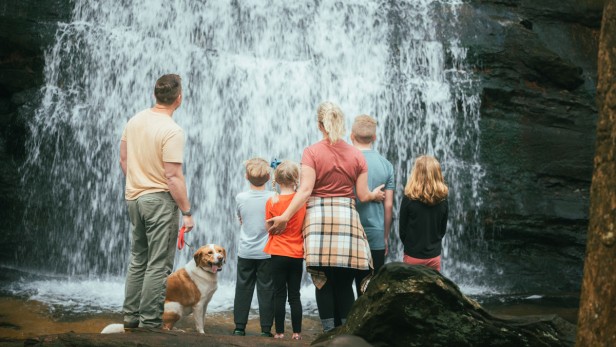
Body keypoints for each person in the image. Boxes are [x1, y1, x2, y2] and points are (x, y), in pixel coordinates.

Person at [267, 101, 385, 332]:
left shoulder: (311, 152)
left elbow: (305, 191)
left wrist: (284, 216)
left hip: (319, 220)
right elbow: (361, 194)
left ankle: (330, 333)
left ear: (320, 124)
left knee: (323, 282)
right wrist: (374, 194)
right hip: (346, 218)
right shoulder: (356, 155)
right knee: (343, 283)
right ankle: (348, 333)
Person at [119, 73, 194, 329]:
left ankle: (130, 318)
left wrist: (137, 182)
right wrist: (187, 211)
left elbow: (124, 160)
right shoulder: (172, 130)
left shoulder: (135, 120)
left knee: (138, 259)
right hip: (159, 201)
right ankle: (150, 323)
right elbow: (173, 177)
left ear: (155, 95)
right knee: (159, 265)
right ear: (179, 99)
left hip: (134, 198)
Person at [350, 115, 395, 296]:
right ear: (375, 137)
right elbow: (389, 205)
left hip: (349, 232)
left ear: (351, 135)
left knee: (347, 286)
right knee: (371, 288)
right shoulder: (386, 165)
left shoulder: (347, 162)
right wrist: (385, 236)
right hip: (375, 233)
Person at [263, 160, 307, 340]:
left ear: (276, 179)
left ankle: (279, 332)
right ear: (297, 178)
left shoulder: (271, 201)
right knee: (295, 295)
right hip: (296, 253)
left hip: (278, 252)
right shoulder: (302, 202)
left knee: (279, 293)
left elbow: (268, 228)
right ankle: (297, 333)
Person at [233, 157, 275, 337]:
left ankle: (239, 327)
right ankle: (266, 329)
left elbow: (240, 219)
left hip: (246, 251)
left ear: (246, 177)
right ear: (268, 177)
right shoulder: (274, 197)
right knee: (266, 289)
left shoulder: (240, 197)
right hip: (267, 252)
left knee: (243, 287)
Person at [398, 155, 449, 272]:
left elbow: (402, 231)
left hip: (412, 256)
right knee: (431, 289)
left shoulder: (408, 198)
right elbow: (442, 230)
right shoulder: (443, 200)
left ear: (416, 174)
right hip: (434, 256)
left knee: (412, 289)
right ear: (438, 174)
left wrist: (411, 246)